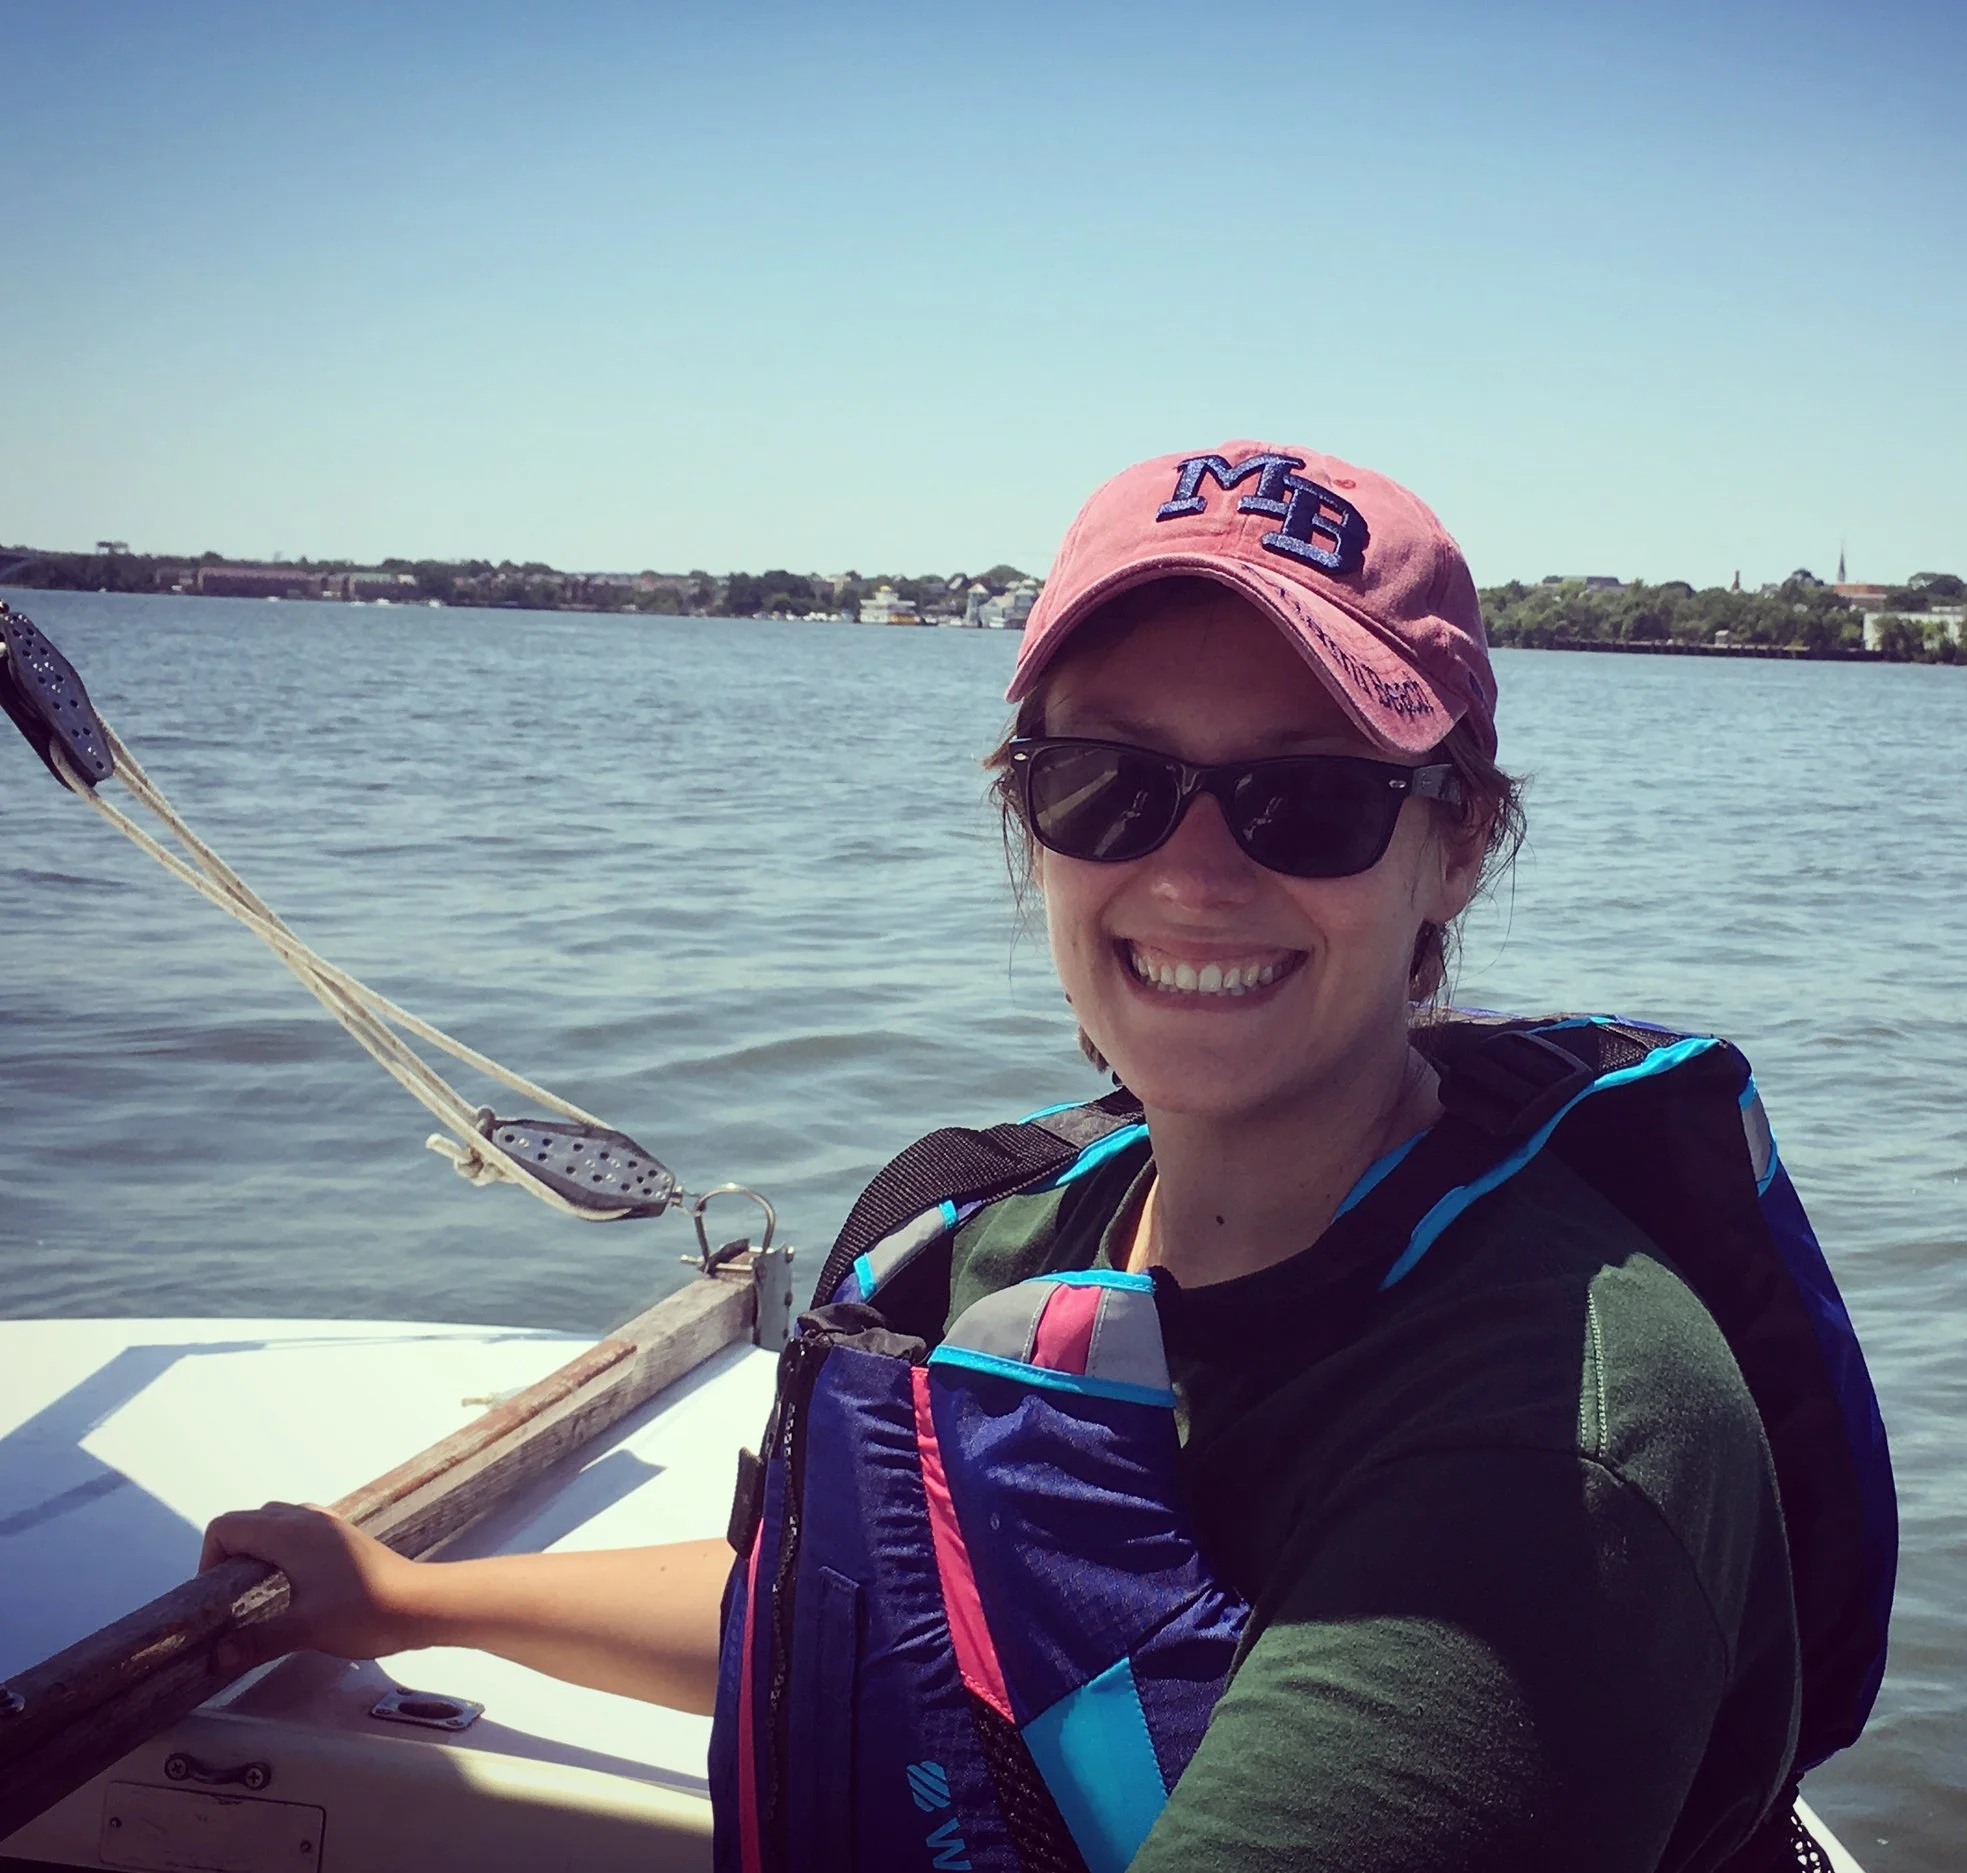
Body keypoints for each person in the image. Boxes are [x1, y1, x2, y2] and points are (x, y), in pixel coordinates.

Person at [203, 443, 1805, 1870]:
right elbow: (875, 1614)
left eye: (1306, 800)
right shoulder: (1016, 1239)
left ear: (1457, 843)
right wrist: (409, 1601)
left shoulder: (1557, 1447)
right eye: (1105, 784)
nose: (1188, 875)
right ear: (1025, 817)